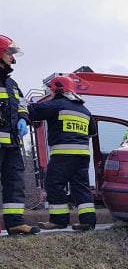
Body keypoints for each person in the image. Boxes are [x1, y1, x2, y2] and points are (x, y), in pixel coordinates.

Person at [28, 76, 96, 231]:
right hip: (83, 156)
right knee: (81, 187)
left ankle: (59, 220)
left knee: (54, 184)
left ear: (57, 90)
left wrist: (21, 104)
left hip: (63, 154)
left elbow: (34, 111)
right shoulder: (85, 110)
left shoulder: (57, 104)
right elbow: (92, 131)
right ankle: (88, 222)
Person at [0, 34, 40, 234]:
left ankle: (15, 222)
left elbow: (22, 105)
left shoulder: (12, 83)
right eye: (9, 52)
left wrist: (23, 118)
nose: (12, 57)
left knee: (15, 182)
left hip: (13, 142)